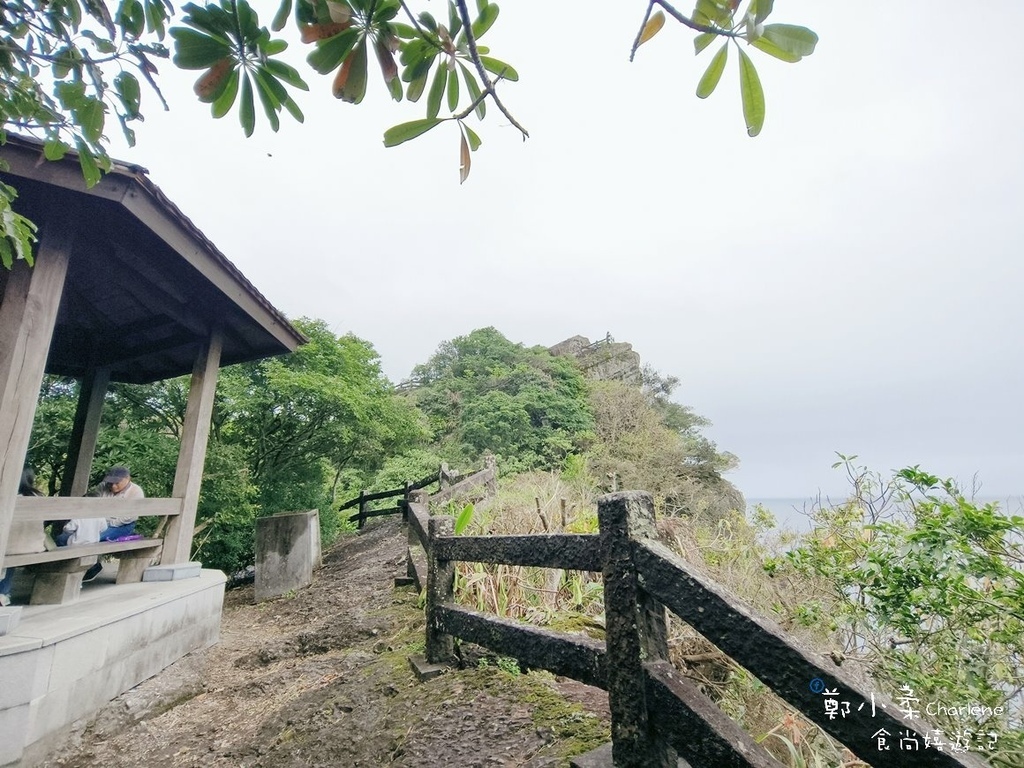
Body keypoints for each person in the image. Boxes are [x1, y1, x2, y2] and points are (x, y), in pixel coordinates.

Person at [83, 466, 145, 582]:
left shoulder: (136, 491)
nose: (113, 486)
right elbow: (93, 505)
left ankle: (92, 566)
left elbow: (131, 516)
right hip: (99, 521)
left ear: (127, 479)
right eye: (110, 482)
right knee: (68, 537)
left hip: (121, 525)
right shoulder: (102, 487)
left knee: (94, 538)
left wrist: (111, 522)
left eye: (117, 483)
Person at [0, 469, 45, 606]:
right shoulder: (38, 496)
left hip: (10, 546)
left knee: (8, 549)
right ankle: (3, 593)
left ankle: (3, 592)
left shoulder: (8, 496)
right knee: (11, 550)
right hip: (34, 545)